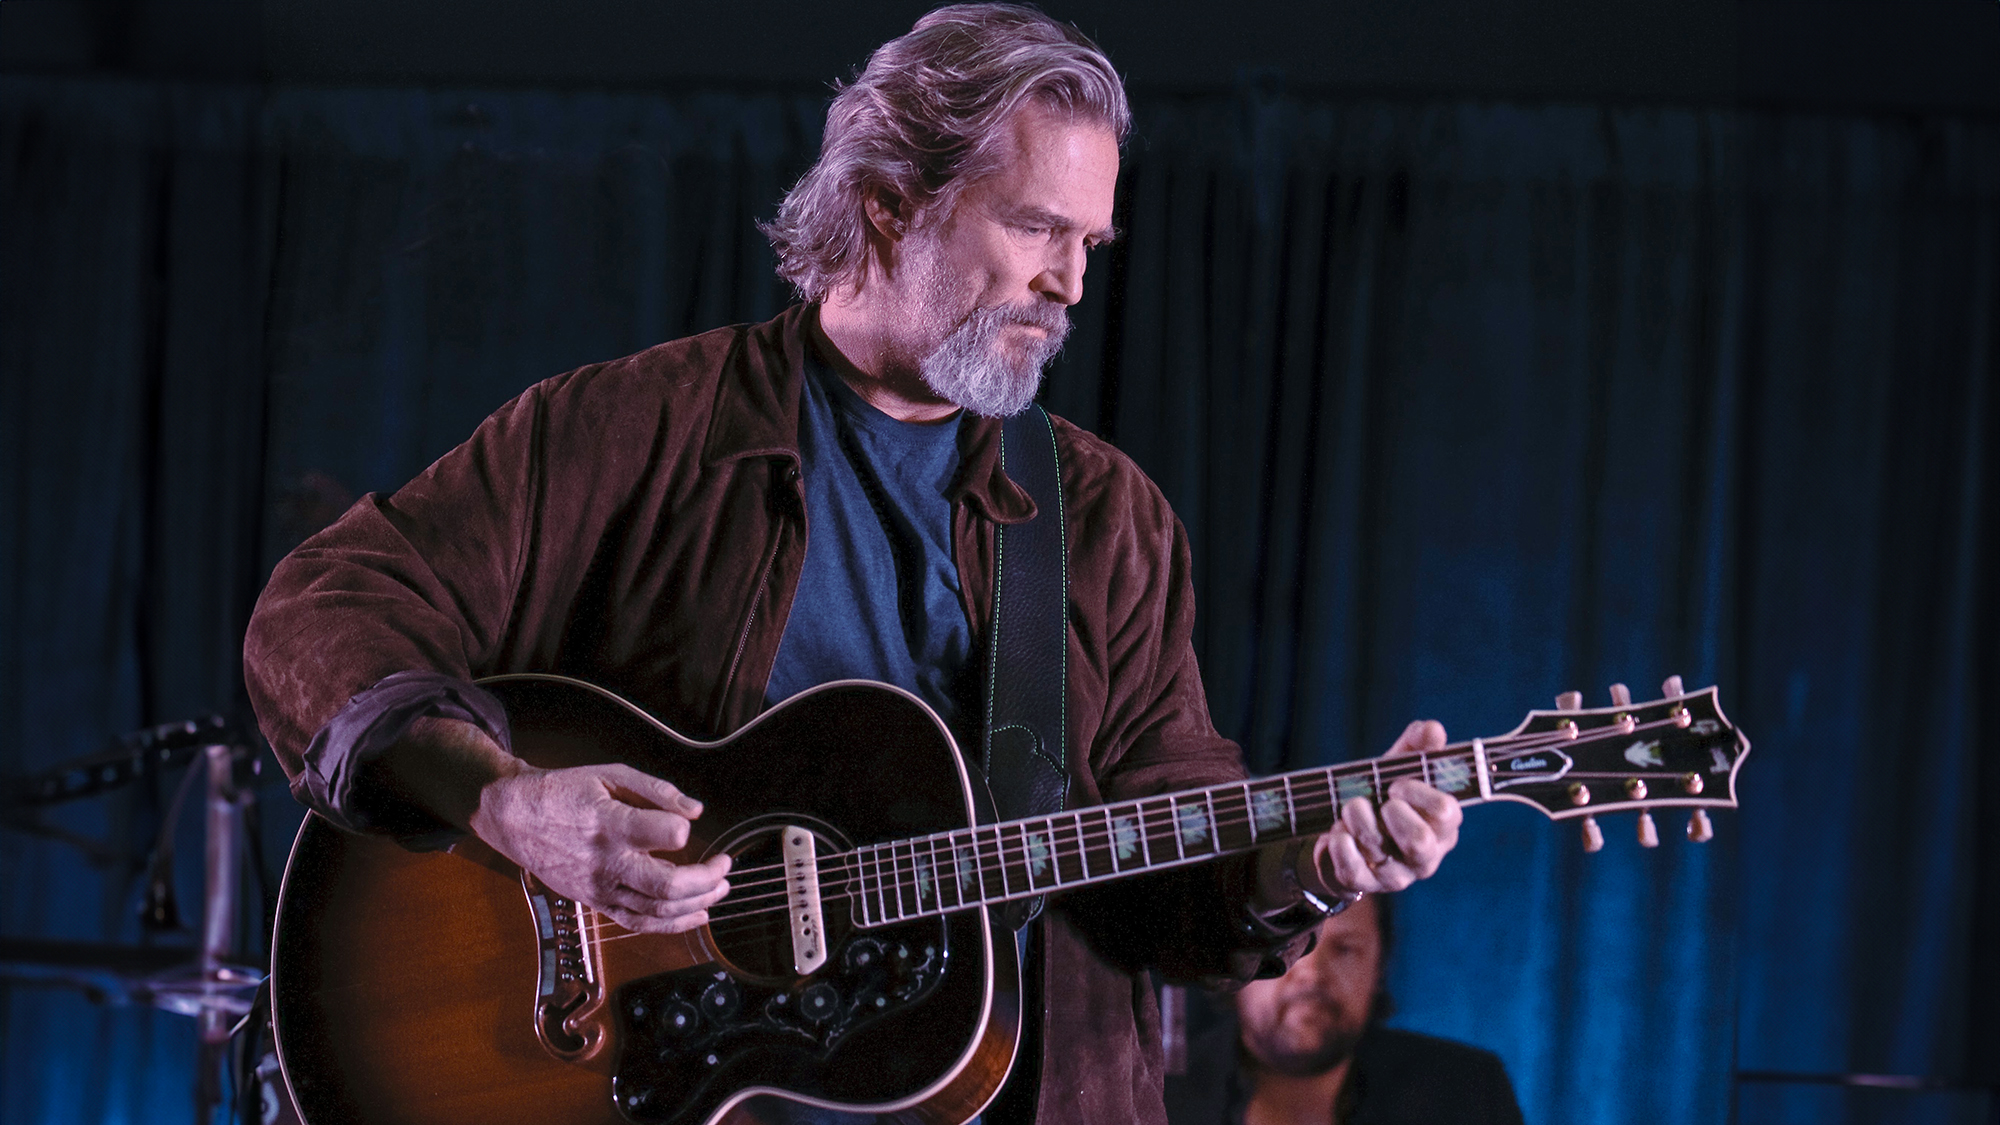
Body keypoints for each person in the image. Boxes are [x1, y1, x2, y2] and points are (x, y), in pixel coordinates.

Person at [242, 6, 1463, 1123]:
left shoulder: (1103, 519)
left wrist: (1304, 864)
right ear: (887, 202)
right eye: (1036, 226)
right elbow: (323, 607)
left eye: (1090, 239)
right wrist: (504, 803)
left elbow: (1168, 859)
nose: (1072, 282)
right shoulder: (635, 430)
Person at [1164, 895, 1524, 1125]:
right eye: (1283, 946)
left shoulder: (1467, 1093)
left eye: (1344, 949)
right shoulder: (1155, 1101)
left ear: (1379, 964)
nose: (1311, 974)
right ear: (1232, 961)